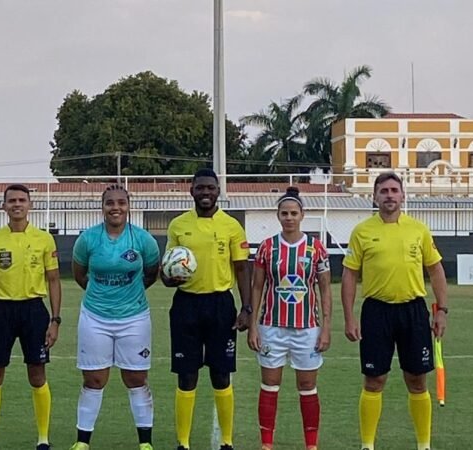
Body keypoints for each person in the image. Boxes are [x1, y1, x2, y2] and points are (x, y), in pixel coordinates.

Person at [341, 172, 448, 450]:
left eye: (394, 190)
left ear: (402, 196)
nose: (389, 195)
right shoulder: (362, 231)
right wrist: (350, 317)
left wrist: (442, 310)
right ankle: (367, 445)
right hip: (377, 312)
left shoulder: (418, 230)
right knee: (374, 380)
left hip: (413, 312)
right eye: (384, 191)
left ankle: (423, 445)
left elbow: (435, 269)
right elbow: (350, 275)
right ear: (374, 197)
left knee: (417, 379)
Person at [162, 168, 252, 450]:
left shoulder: (232, 226)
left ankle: (226, 440)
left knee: (221, 373)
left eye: (210, 188)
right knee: (187, 374)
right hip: (186, 304)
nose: (205, 193)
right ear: (191, 190)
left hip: (220, 304)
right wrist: (169, 277)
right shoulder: (178, 225)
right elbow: (167, 272)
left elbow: (241, 269)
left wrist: (246, 308)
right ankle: (184, 442)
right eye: (200, 188)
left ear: (218, 191)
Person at [0, 184, 62, 450]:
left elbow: (54, 280)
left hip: (34, 310)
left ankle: (43, 439)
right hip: (1, 311)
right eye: (12, 200)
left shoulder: (44, 239)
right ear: (4, 206)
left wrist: (55, 320)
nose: (17, 204)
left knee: (37, 372)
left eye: (22, 200)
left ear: (30, 205)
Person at [69, 185, 159, 450]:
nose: (115, 207)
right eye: (110, 203)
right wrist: (103, 296)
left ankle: (145, 443)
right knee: (94, 379)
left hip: (135, 318)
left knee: (136, 379)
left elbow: (151, 273)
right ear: (102, 206)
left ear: (128, 206)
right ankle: (82, 442)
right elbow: (79, 273)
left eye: (121, 202)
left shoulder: (143, 240)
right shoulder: (88, 239)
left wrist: (128, 296)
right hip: (95, 317)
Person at [247, 186, 332, 450]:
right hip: (271, 327)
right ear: (278, 215)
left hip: (307, 329)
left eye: (294, 213)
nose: (289, 217)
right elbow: (257, 287)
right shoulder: (267, 248)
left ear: (302, 215)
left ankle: (311, 444)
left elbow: (325, 289)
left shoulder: (316, 248)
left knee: (307, 385)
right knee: (270, 384)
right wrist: (253, 326)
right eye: (284, 213)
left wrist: (326, 328)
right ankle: (267, 444)